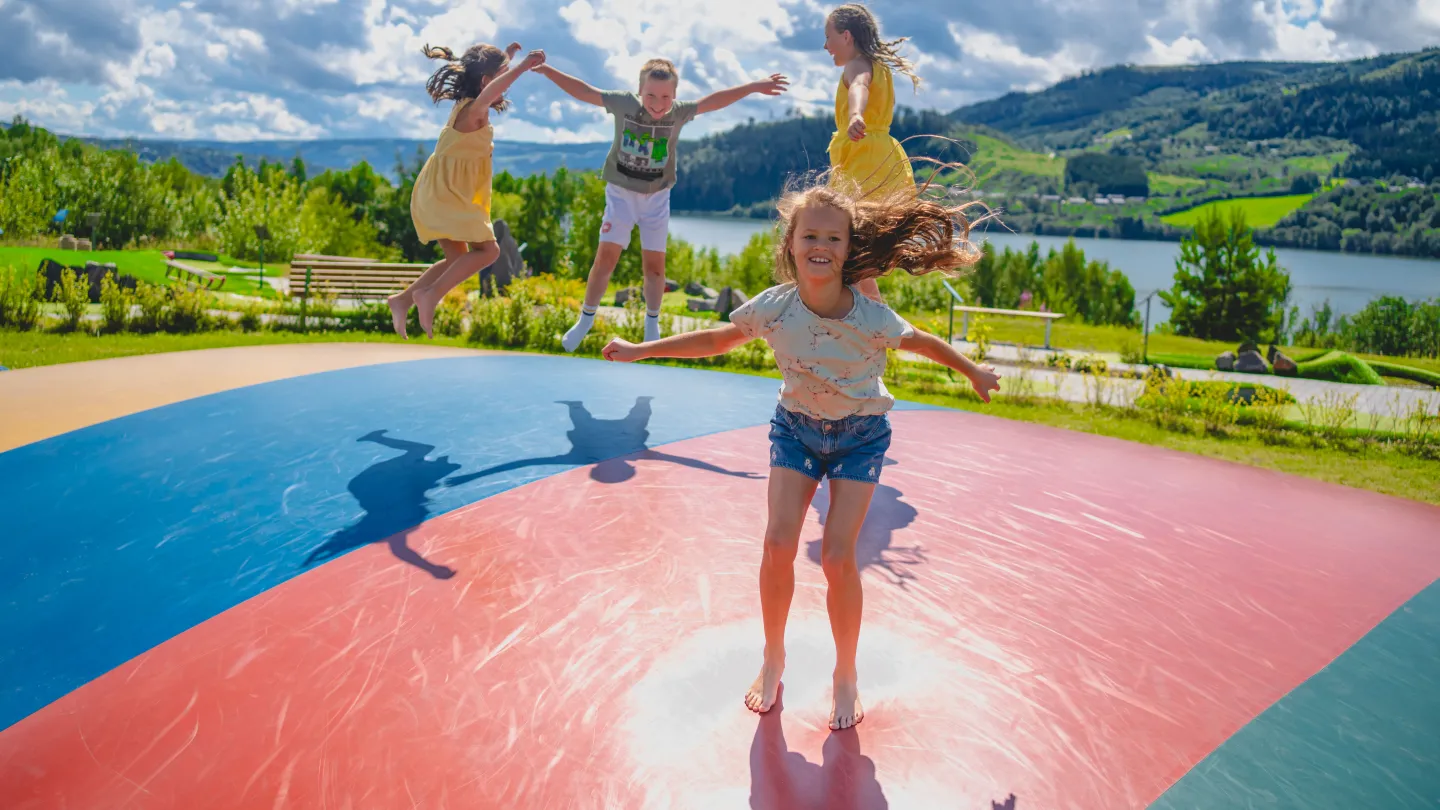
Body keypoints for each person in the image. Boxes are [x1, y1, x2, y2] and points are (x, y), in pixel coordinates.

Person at [601, 169, 1001, 730]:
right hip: (796, 430)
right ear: (790, 244)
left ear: (848, 248)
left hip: (860, 437)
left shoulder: (868, 315)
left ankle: (844, 672)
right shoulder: (777, 306)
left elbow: (924, 343)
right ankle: (773, 656)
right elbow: (717, 339)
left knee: (838, 557)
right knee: (777, 542)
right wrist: (643, 350)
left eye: (833, 238)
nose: (821, 246)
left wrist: (973, 371)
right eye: (810, 236)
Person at [532, 57, 789, 350]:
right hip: (621, 195)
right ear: (640, 92)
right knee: (606, 259)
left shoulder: (678, 113)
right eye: (651, 95)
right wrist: (548, 70)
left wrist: (756, 86)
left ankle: (651, 327)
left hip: (656, 198)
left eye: (666, 96)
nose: (658, 103)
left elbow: (715, 101)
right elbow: (584, 91)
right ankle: (585, 319)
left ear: (675, 95)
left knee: (655, 268)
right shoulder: (624, 104)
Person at [388, 42, 545, 339]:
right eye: (503, 76)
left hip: (440, 192)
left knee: (458, 259)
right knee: (489, 251)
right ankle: (429, 295)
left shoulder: (467, 105)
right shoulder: (475, 111)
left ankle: (402, 300)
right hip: (448, 195)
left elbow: (490, 81)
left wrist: (507, 57)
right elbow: (490, 89)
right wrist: (523, 67)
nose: (505, 85)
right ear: (487, 82)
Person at [823, 2, 924, 306]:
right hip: (879, 151)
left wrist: (855, 115)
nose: (825, 46)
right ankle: (867, 309)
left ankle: (870, 312)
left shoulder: (857, 65)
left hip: (863, 155)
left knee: (844, 237)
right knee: (855, 243)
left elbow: (859, 87)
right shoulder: (878, 66)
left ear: (847, 37)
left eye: (829, 37)